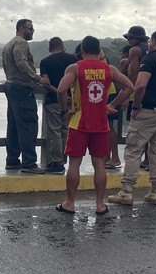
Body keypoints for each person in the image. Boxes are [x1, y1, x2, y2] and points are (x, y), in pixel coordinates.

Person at [55, 36, 134, 214]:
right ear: (99, 51)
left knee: (74, 164)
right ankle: (100, 204)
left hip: (79, 123)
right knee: (99, 164)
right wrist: (112, 105)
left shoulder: (75, 68)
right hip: (101, 124)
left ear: (82, 51)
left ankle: (70, 203)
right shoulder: (110, 69)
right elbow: (129, 87)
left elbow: (61, 89)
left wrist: (65, 109)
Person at [108, 30, 156, 207]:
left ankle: (126, 192)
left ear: (155, 41)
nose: (149, 43)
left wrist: (135, 106)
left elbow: (140, 84)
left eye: (151, 40)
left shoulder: (149, 60)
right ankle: (155, 192)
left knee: (134, 149)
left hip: (147, 110)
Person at [2, 19, 45, 173]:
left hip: (10, 85)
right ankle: (29, 163)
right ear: (21, 28)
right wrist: (38, 78)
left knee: (13, 126)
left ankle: (12, 160)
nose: (32, 31)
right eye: (30, 28)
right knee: (28, 124)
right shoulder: (21, 43)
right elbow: (22, 63)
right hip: (21, 88)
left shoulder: (8, 44)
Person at [39, 37, 77, 174]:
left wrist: (59, 93)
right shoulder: (73, 59)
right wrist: (67, 96)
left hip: (53, 101)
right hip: (71, 102)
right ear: (62, 46)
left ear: (50, 48)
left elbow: (46, 83)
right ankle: (64, 159)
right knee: (66, 130)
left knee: (54, 131)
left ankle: (57, 162)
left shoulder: (45, 62)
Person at [120, 25, 150, 171]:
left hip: (139, 94)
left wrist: (126, 96)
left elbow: (133, 74)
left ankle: (133, 167)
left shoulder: (135, 51)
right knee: (151, 133)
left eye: (129, 38)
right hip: (153, 94)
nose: (128, 40)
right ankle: (148, 160)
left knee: (137, 132)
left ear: (136, 38)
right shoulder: (150, 49)